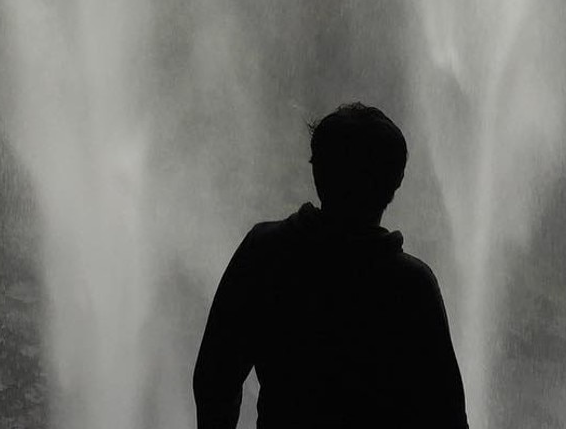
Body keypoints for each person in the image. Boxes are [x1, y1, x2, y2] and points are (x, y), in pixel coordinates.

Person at [193, 103, 468, 429]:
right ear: (394, 185)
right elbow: (446, 413)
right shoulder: (411, 285)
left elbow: (214, 378)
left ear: (317, 170)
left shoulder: (266, 253)